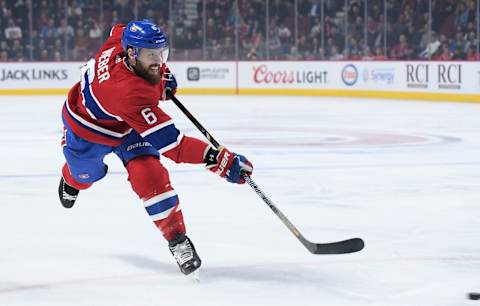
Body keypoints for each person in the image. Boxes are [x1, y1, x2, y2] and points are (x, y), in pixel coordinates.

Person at [58, 20, 253, 276]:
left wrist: (161, 76)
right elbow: (175, 147)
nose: (160, 62)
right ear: (131, 53)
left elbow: (118, 27)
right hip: (88, 131)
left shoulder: (122, 40)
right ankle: (71, 180)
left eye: (162, 54)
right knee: (83, 176)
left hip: (128, 126)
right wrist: (218, 159)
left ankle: (177, 240)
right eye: (153, 56)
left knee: (149, 175)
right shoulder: (128, 93)